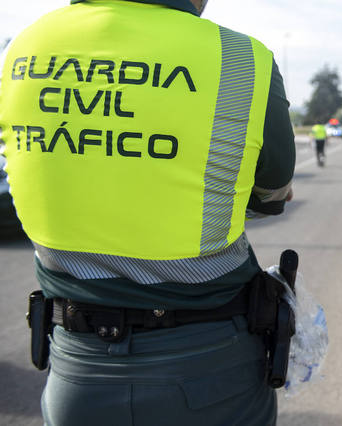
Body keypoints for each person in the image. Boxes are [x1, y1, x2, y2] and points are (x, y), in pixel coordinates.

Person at [0, 0, 296, 424]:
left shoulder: (27, 44)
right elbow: (273, 193)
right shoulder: (241, 58)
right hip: (209, 365)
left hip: (76, 367)